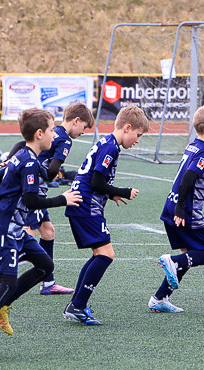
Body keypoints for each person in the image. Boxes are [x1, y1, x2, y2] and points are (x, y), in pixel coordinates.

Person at [0, 108, 82, 360]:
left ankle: (1, 305)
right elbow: (31, 199)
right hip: (5, 228)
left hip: (12, 227)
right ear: (39, 134)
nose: (54, 134)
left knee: (45, 265)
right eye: (50, 130)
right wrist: (63, 199)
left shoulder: (25, 156)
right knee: (8, 283)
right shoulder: (27, 161)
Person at [0, 102, 95, 295]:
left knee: (48, 231)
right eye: (84, 127)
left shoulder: (50, 133)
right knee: (26, 232)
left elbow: (17, 149)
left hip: (21, 180)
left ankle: (48, 282)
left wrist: (13, 159)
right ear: (76, 121)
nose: (83, 132)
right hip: (31, 190)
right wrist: (40, 169)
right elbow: (51, 173)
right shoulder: (64, 140)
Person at [61, 105, 146, 325]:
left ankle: (76, 304)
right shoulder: (111, 147)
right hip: (86, 205)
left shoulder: (107, 143)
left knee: (100, 253)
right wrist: (122, 191)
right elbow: (96, 181)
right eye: (137, 135)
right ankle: (78, 305)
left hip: (84, 203)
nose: (137, 140)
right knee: (106, 254)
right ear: (127, 128)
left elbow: (97, 179)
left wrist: (111, 196)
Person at [149, 105, 204, 313]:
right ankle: (172, 262)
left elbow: (203, 177)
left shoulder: (194, 146)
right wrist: (182, 209)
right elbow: (189, 178)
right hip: (186, 211)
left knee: (188, 255)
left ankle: (160, 298)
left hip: (171, 206)